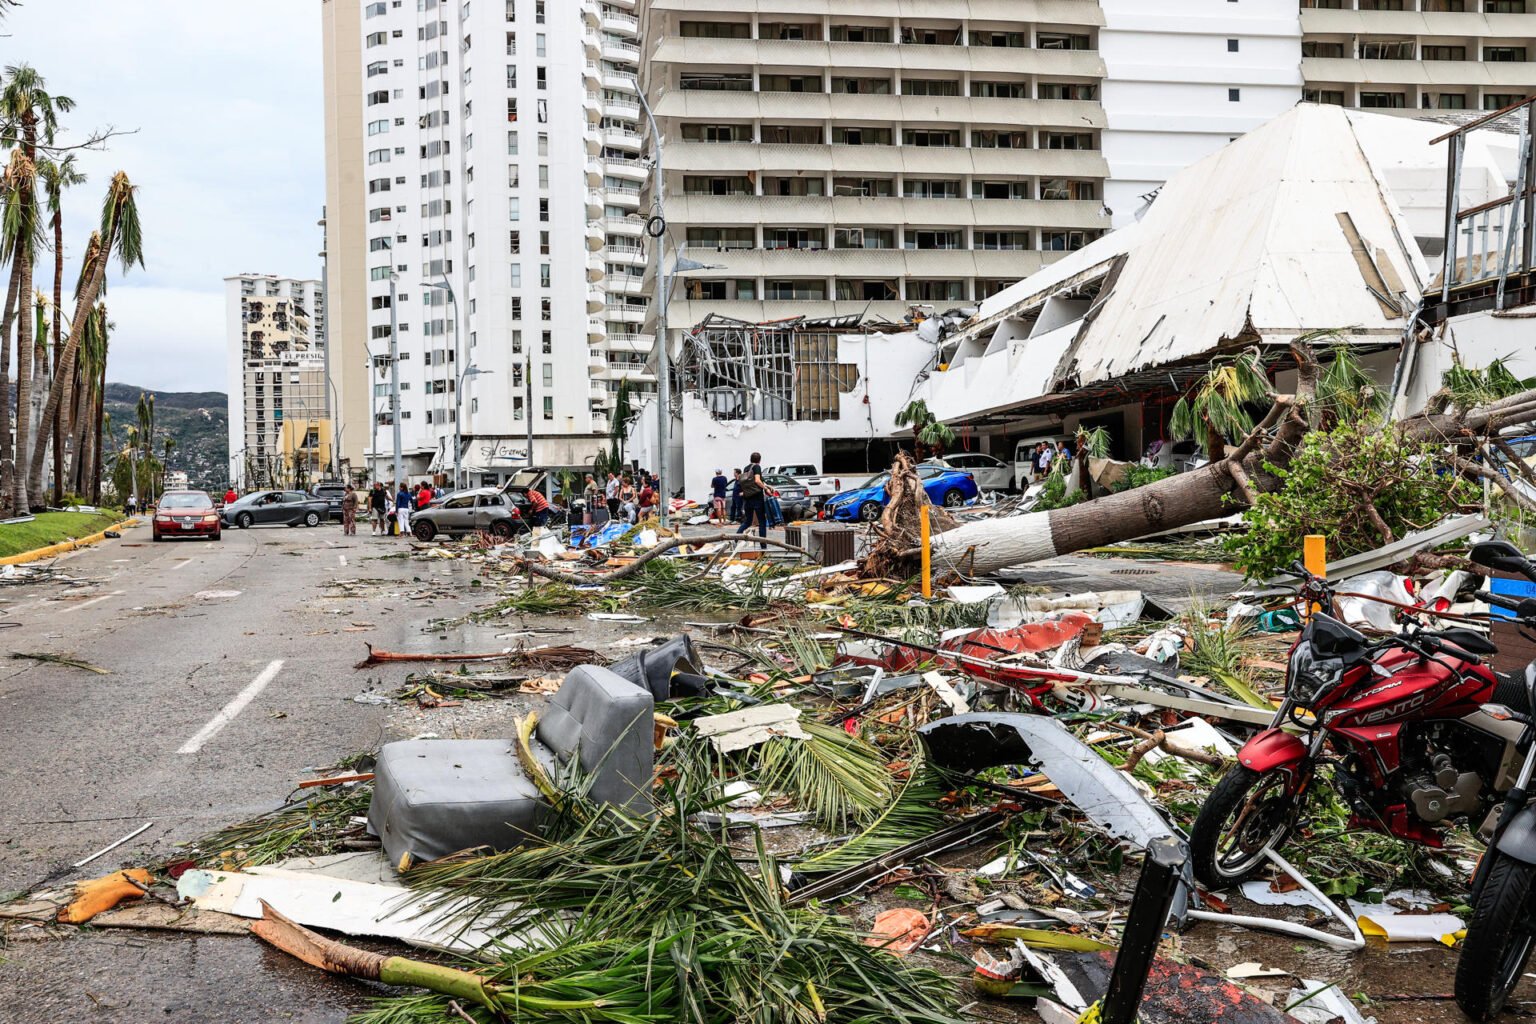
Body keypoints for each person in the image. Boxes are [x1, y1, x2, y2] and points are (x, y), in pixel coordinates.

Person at [736, 453, 767, 539]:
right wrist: (765, 488)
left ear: (750, 459)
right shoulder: (757, 467)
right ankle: (763, 544)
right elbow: (757, 480)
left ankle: (735, 538)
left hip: (748, 498)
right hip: (757, 497)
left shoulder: (746, 468)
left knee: (748, 521)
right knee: (762, 522)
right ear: (759, 460)